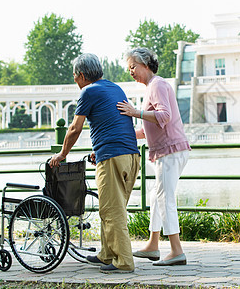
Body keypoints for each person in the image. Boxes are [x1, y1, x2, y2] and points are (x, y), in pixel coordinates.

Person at [49, 53, 140, 273]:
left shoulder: (88, 91)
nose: (74, 80)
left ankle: (124, 262)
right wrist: (97, 150)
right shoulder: (114, 88)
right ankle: (107, 254)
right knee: (112, 208)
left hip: (113, 157)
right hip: (131, 156)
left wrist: (61, 154)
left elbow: (74, 128)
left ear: (81, 75)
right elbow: (113, 121)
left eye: (74, 76)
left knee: (112, 211)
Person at [117, 47, 191, 266]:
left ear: (145, 65)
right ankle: (153, 245)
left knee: (164, 198)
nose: (130, 71)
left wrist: (135, 112)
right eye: (128, 68)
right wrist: (123, 133)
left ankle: (176, 250)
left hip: (170, 150)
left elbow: (164, 116)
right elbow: (148, 127)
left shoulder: (157, 85)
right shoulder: (153, 86)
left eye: (133, 66)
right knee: (156, 196)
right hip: (168, 151)